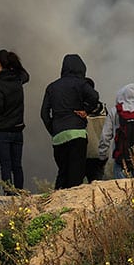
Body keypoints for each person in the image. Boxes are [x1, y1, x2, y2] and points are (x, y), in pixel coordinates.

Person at [40, 54, 100, 189]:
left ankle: (56, 203)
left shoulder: (52, 87)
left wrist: (54, 129)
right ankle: (72, 207)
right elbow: (94, 96)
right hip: (77, 133)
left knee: (62, 172)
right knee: (76, 175)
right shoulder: (81, 83)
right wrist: (87, 110)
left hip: (58, 137)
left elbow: (44, 114)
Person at [0, 50, 29, 192]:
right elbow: (25, 75)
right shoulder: (18, 80)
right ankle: (20, 192)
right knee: (17, 165)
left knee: (6, 165)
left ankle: (8, 194)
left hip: (2, 130)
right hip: (17, 129)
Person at [99, 83, 134, 179]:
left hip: (120, 160)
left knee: (122, 191)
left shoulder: (115, 112)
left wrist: (102, 156)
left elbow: (105, 137)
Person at [83, 78, 108, 182]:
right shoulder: (103, 108)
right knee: (97, 183)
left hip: (85, 153)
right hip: (101, 153)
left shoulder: (80, 109)